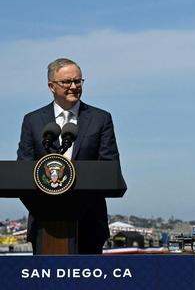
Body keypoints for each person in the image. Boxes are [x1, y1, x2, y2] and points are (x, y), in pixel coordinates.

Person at [17, 58, 119, 254]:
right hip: (44, 225)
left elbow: (109, 166)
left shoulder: (100, 119)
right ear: (51, 86)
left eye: (78, 81)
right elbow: (23, 169)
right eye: (66, 82)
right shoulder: (32, 121)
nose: (73, 86)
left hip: (89, 223)